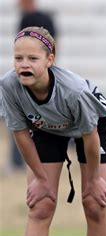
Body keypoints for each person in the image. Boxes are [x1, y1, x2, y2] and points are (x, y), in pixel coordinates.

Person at [0, 27, 106, 236]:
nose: (24, 64)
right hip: (45, 126)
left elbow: (90, 137)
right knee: (41, 205)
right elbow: (19, 133)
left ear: (50, 60)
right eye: (18, 58)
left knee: (94, 204)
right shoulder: (8, 85)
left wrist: (93, 180)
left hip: (91, 128)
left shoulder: (75, 91)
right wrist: (41, 180)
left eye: (32, 58)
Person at [4, 0, 57, 174]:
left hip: (30, 79)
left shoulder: (28, 19)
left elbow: (21, 49)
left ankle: (18, 161)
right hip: (44, 75)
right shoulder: (46, 18)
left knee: (20, 117)